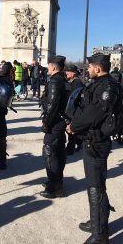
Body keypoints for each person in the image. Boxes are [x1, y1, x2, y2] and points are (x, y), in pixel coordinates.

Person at [66, 53, 120, 244]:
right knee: (94, 186)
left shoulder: (107, 87)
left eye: (89, 67)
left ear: (97, 68)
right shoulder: (100, 84)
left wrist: (74, 126)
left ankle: (100, 236)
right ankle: (96, 222)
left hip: (97, 142)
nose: (87, 70)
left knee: (96, 187)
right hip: (91, 140)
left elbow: (95, 113)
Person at [40, 55, 68, 199]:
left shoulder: (55, 81)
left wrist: (46, 123)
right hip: (60, 121)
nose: (47, 68)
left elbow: (52, 105)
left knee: (50, 153)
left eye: (48, 65)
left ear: (53, 67)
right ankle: (56, 181)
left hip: (55, 122)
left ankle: (54, 186)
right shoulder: (63, 79)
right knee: (58, 152)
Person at [65, 64, 84, 155]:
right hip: (72, 109)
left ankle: (70, 148)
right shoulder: (72, 82)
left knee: (71, 129)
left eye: (68, 71)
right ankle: (79, 142)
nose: (66, 73)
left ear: (74, 73)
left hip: (75, 110)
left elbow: (73, 99)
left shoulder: (77, 83)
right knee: (71, 129)